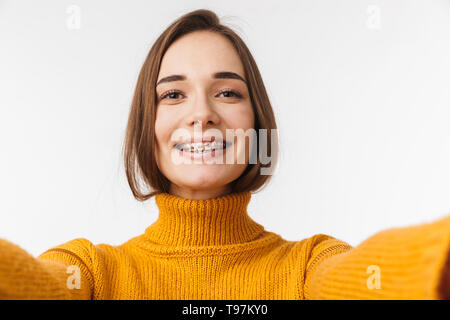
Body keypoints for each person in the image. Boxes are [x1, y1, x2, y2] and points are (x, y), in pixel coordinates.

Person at [0, 9, 449, 300]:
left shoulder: (309, 268)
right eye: (173, 94)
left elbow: (375, 278)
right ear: (146, 125)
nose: (202, 114)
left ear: (256, 122)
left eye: (228, 92)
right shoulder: (93, 274)